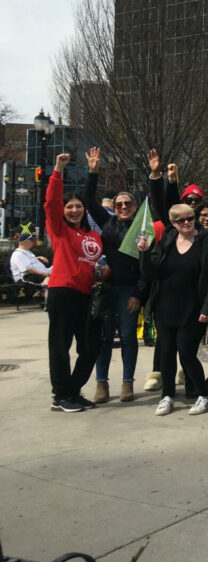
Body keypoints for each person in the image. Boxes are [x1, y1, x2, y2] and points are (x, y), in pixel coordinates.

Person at [138, 203, 208, 417]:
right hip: (165, 306)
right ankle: (167, 396)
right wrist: (144, 252)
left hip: (194, 308)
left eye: (189, 218)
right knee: (166, 354)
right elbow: (150, 271)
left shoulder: (207, 242)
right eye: (180, 220)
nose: (186, 222)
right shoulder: (167, 240)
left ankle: (203, 395)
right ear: (173, 223)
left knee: (186, 353)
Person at [44, 153, 106, 413]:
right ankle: (60, 395)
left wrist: (105, 272)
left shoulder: (93, 234)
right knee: (60, 346)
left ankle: (72, 390)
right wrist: (58, 169)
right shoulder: (60, 230)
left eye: (78, 206)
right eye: (69, 206)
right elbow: (50, 204)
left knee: (91, 347)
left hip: (87, 296)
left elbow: (96, 263)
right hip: (62, 291)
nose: (73, 210)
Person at [84, 147, 145, 404]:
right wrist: (93, 171)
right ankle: (101, 383)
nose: (122, 207)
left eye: (127, 204)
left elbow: (148, 266)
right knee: (104, 338)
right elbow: (89, 200)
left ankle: (127, 383)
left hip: (130, 290)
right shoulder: (106, 222)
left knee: (130, 338)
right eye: (119, 204)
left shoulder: (143, 227)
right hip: (107, 290)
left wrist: (139, 295)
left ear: (134, 207)